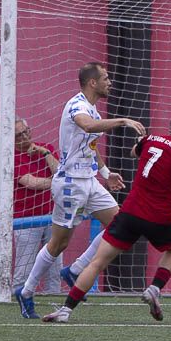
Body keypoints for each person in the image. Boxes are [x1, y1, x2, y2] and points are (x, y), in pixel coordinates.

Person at [13, 62, 144, 318]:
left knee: (122, 226)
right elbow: (87, 126)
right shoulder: (78, 106)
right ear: (92, 82)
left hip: (90, 181)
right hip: (70, 183)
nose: (110, 82)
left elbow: (91, 146)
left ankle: (75, 270)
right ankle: (26, 291)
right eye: (105, 78)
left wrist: (106, 174)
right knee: (59, 243)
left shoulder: (94, 110)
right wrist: (123, 120)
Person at [43, 113, 171, 323]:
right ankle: (154, 288)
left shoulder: (149, 140)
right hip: (158, 216)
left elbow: (133, 153)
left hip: (129, 213)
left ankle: (65, 310)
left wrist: (142, 144)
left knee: (97, 262)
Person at [11, 119, 63, 292]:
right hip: (25, 220)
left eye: (27, 131)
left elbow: (59, 172)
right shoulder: (11, 157)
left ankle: (54, 303)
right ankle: (18, 301)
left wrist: (46, 153)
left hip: (52, 217)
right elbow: (31, 183)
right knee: (23, 269)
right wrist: (57, 182)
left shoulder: (45, 147)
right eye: (19, 135)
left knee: (54, 268)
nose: (25, 137)